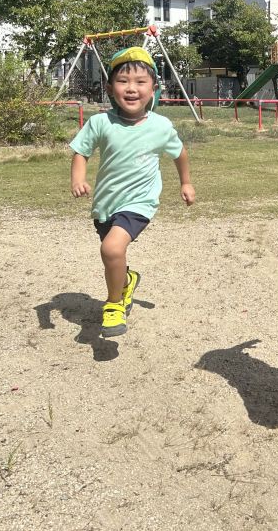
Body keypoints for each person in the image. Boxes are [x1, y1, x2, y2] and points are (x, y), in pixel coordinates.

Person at [69, 47, 195, 337]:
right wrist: (78, 179)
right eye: (124, 81)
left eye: (140, 82)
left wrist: (185, 182)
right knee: (112, 255)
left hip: (140, 202)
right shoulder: (100, 122)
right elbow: (80, 152)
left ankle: (113, 306)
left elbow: (180, 153)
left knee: (112, 248)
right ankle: (126, 280)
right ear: (110, 88)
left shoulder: (161, 126)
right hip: (105, 205)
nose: (132, 88)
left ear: (153, 89)